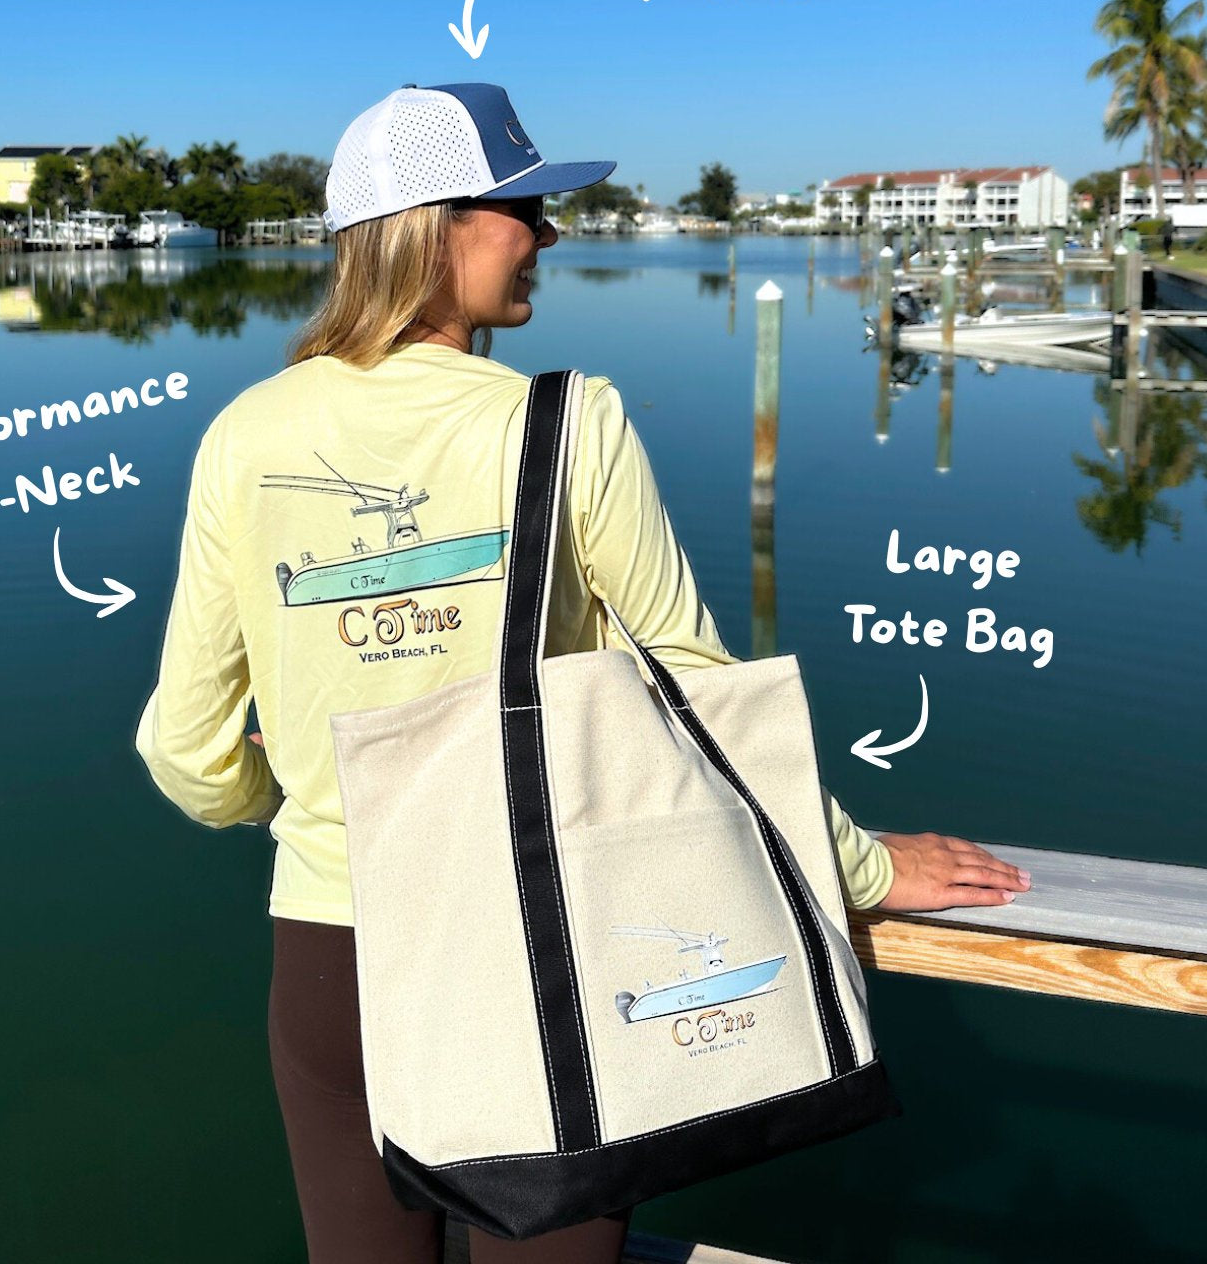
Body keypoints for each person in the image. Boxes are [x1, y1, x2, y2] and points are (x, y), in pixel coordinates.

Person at [135, 83, 1032, 1264]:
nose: (547, 235)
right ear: (435, 226)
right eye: (524, 211)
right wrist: (860, 864)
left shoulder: (245, 433)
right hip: (537, 953)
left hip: (325, 954)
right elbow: (696, 703)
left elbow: (187, 753)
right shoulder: (566, 425)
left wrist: (291, 794)